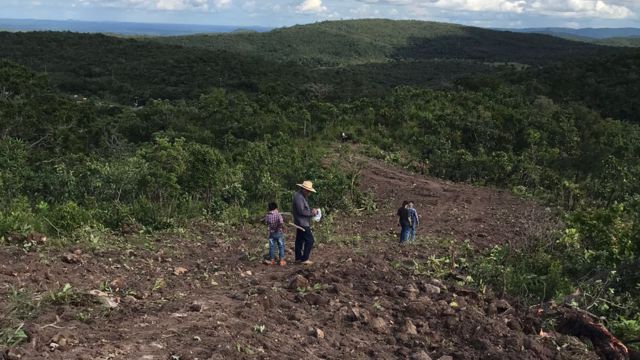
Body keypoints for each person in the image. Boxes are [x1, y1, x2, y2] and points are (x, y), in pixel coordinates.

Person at [292, 180, 318, 265]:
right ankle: (304, 259)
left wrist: (311, 210)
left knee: (299, 240)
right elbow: (301, 211)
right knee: (310, 240)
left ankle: (298, 258)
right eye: (308, 191)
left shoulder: (300, 196)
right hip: (302, 223)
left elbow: (304, 209)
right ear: (303, 189)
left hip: (301, 222)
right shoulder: (299, 197)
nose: (309, 193)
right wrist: (312, 213)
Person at [264, 202, 286, 266]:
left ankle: (272, 260)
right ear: (276, 208)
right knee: (281, 246)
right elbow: (281, 222)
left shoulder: (268, 215)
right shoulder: (278, 214)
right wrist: (283, 227)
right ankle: (281, 260)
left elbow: (266, 222)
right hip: (278, 232)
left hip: (271, 233)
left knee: (271, 247)